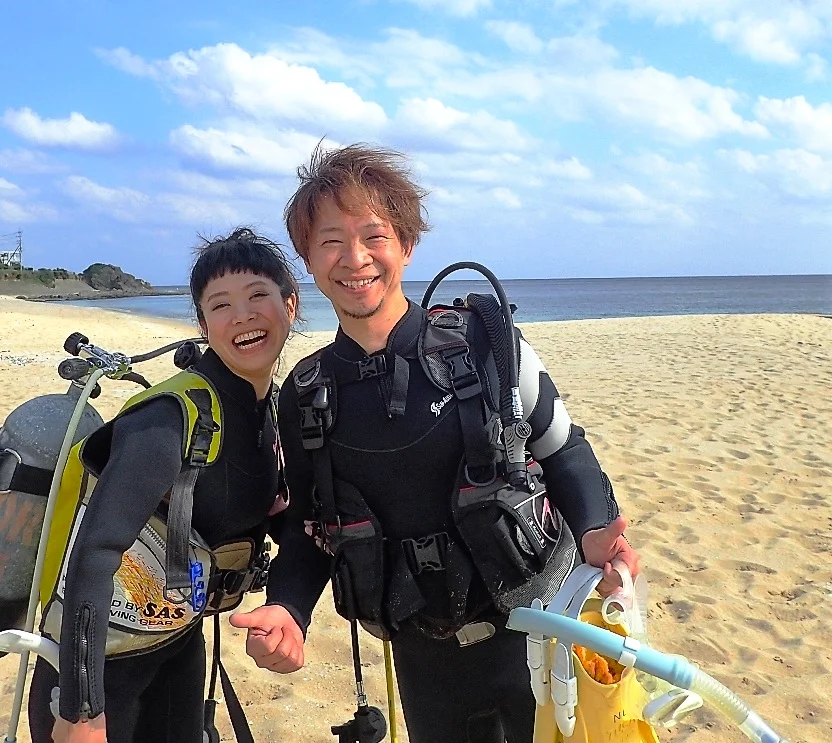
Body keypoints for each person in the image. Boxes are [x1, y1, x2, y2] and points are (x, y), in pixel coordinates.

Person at [231, 145, 642, 743]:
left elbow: (564, 449)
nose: (355, 259)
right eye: (330, 242)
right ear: (307, 258)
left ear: (405, 244)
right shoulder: (306, 394)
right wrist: (289, 608)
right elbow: (310, 527)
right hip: (421, 659)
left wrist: (597, 533)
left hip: (538, 635)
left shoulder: (487, 343)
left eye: (374, 235)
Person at [32, 227, 299, 743]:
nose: (242, 314)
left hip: (178, 639)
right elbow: (96, 549)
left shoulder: (271, 411)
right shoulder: (171, 418)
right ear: (202, 324)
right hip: (101, 664)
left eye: (258, 296)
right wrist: (82, 708)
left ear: (290, 304)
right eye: (220, 305)